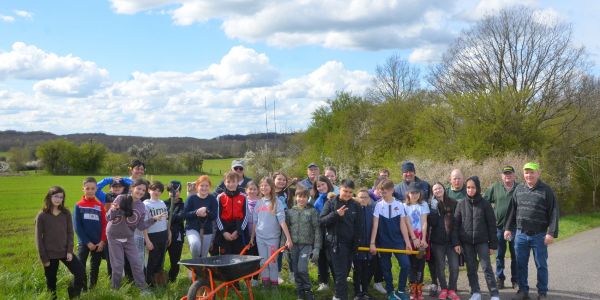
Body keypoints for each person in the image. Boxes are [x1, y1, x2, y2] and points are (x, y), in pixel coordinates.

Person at [504, 162, 559, 300]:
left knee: (541, 265)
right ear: (523, 174)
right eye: (526, 172)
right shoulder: (519, 189)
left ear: (538, 173)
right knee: (520, 264)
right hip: (520, 234)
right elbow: (512, 210)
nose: (529, 175)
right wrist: (508, 228)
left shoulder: (546, 190)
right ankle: (523, 291)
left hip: (539, 235)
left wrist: (551, 232)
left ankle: (542, 293)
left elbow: (553, 212)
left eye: (532, 172)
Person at [106, 179, 166, 291]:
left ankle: (142, 288)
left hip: (129, 237)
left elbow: (141, 226)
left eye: (143, 190)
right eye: (139, 188)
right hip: (114, 236)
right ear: (132, 188)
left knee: (137, 263)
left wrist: (153, 219)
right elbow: (108, 217)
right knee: (118, 266)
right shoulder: (121, 198)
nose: (141, 191)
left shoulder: (141, 206)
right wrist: (113, 210)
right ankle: (115, 290)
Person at [36, 186, 86, 299]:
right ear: (49, 197)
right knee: (51, 281)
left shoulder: (66, 213)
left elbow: (70, 233)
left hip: (64, 252)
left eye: (61, 197)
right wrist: (44, 258)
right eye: (56, 196)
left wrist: (69, 251)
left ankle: (73, 293)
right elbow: (38, 238)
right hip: (49, 254)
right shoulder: (42, 216)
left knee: (80, 272)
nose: (58, 199)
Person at [455, 176, 499, 300]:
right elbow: (455, 226)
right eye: (468, 187)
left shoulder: (485, 204)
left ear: (478, 188)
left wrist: (492, 245)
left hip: (482, 242)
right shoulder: (461, 204)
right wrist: (457, 243)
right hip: (467, 242)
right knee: (471, 268)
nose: (470, 190)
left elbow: (492, 225)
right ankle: (475, 292)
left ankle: (494, 294)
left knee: (486, 268)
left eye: (473, 187)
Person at [369, 179, 413, 300]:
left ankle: (400, 289)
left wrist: (408, 242)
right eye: (381, 192)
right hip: (383, 242)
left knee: (405, 264)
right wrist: (372, 243)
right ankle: (390, 292)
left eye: (385, 192)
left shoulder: (399, 204)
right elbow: (375, 225)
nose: (383, 195)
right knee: (386, 267)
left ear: (392, 190)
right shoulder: (378, 205)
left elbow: (403, 225)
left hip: (398, 241)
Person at [321, 179, 362, 300]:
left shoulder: (356, 205)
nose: (348, 194)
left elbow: (359, 226)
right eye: (345, 191)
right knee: (341, 274)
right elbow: (322, 221)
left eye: (350, 192)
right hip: (335, 244)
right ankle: (340, 296)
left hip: (350, 245)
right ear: (340, 189)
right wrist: (335, 214)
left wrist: (356, 244)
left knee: (343, 273)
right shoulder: (331, 203)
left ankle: (338, 294)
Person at [252, 177, 293, 288]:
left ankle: (274, 285)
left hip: (273, 238)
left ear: (271, 187)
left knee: (272, 263)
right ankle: (265, 284)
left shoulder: (277, 202)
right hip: (260, 238)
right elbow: (255, 222)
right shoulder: (259, 203)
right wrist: (252, 238)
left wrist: (288, 238)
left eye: (266, 185)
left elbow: (282, 222)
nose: (263, 188)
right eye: (261, 186)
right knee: (263, 262)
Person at [484, 165, 519, 289]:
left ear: (514, 175)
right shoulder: (495, 187)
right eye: (505, 174)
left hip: (516, 228)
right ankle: (500, 279)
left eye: (510, 173)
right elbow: (484, 201)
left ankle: (516, 279)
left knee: (516, 255)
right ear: (502, 176)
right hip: (499, 228)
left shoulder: (520, 188)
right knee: (499, 255)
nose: (507, 176)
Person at [285, 188, 321, 300]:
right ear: (295, 197)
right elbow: (285, 230)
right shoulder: (290, 212)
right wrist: (284, 247)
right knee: (295, 270)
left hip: (306, 245)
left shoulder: (312, 211)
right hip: (293, 245)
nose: (301, 199)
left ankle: (308, 289)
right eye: (299, 196)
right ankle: (300, 291)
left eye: (304, 197)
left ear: (307, 198)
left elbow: (317, 229)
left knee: (302, 269)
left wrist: (317, 248)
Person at [428, 183, 460, 300]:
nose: (437, 190)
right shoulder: (431, 204)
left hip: (452, 241)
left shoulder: (453, 202)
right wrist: (433, 209)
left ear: (443, 189)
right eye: (435, 189)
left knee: (454, 266)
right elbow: (432, 223)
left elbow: (457, 223)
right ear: (433, 192)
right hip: (437, 242)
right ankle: (444, 289)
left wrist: (457, 242)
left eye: (439, 188)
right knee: (440, 266)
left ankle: (452, 289)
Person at [73, 177, 107, 289]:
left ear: (96, 189)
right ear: (83, 189)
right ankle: (83, 288)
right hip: (84, 242)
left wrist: (102, 241)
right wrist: (87, 242)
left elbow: (104, 224)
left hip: (98, 242)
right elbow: (77, 227)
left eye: (93, 188)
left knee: (95, 266)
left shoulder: (100, 206)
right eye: (87, 188)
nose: (90, 191)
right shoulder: (78, 205)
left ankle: (93, 287)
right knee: (80, 265)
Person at [310, 175, 336, 292]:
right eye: (318, 186)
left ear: (328, 184)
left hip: (331, 231)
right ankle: (323, 282)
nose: (320, 187)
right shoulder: (315, 199)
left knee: (332, 258)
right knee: (321, 257)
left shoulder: (334, 197)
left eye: (322, 184)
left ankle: (338, 281)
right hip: (319, 231)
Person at [404, 182, 430, 300]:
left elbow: (424, 222)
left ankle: (419, 289)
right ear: (408, 194)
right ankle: (412, 288)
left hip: (421, 238)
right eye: (412, 193)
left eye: (417, 193)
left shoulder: (423, 204)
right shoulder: (404, 206)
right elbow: (407, 223)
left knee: (420, 264)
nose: (414, 195)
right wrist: (413, 239)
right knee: (410, 265)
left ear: (420, 194)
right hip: (409, 239)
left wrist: (423, 239)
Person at [215, 171, 249, 254]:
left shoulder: (243, 197)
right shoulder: (220, 197)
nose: (231, 184)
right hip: (225, 228)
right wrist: (223, 232)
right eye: (228, 182)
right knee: (225, 256)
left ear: (238, 183)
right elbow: (217, 217)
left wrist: (238, 231)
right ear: (224, 183)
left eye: (234, 182)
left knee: (238, 256)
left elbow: (246, 216)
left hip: (238, 228)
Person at [184, 175, 218, 259]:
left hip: (207, 230)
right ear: (197, 186)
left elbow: (214, 216)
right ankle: (194, 267)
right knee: (195, 244)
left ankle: (200, 271)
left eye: (206, 186)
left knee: (203, 256)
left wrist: (206, 211)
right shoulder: (191, 198)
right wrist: (196, 212)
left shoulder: (212, 199)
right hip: (192, 228)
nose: (204, 188)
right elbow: (184, 215)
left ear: (209, 187)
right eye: (202, 185)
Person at [143, 181, 169, 285]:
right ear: (149, 190)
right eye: (154, 190)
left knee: (160, 259)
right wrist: (147, 240)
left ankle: (157, 281)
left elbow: (166, 220)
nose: (156, 192)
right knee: (151, 261)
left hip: (163, 234)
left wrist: (169, 233)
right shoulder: (145, 204)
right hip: (152, 235)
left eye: (159, 190)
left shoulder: (162, 203)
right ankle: (149, 282)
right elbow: (144, 224)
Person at [353, 188, 376, 300]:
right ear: (357, 198)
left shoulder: (371, 210)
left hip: (369, 244)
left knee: (367, 269)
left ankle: (365, 291)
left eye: (365, 197)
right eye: (361, 197)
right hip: (357, 246)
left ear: (369, 199)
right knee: (358, 269)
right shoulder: (354, 210)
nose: (363, 199)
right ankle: (357, 292)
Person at [164, 180, 185, 282]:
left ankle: (172, 279)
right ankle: (158, 279)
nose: (174, 194)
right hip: (163, 235)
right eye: (171, 191)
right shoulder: (163, 203)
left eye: (177, 191)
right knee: (159, 259)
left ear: (180, 192)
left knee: (175, 261)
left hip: (177, 236)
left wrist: (167, 215)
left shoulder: (183, 205)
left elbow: (180, 217)